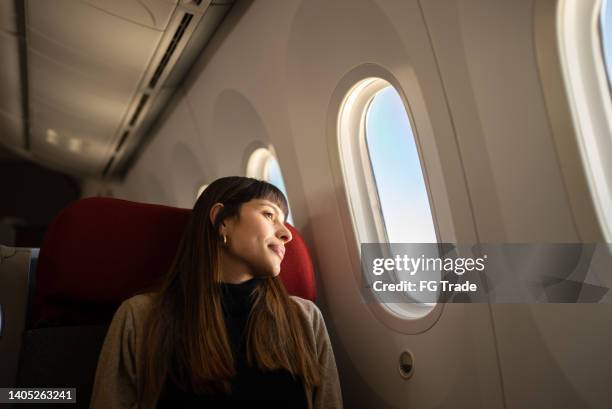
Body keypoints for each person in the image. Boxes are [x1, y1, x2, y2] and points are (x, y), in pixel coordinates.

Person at [90, 176, 343, 409]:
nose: (287, 234)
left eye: (284, 221)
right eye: (269, 214)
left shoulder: (305, 317)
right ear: (223, 221)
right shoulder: (141, 317)